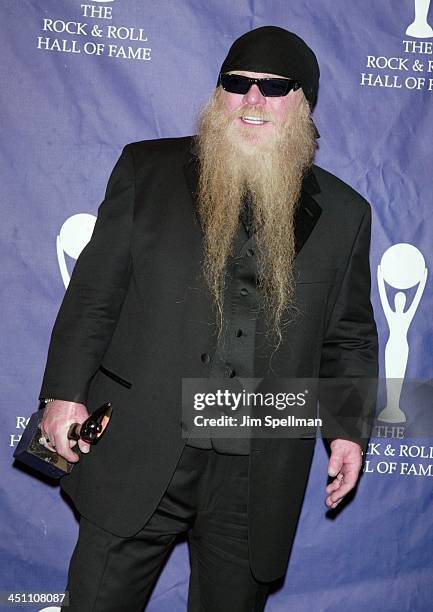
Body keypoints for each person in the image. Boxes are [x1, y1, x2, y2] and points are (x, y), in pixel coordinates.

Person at [39, 26, 378, 611]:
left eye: (275, 87)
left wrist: (347, 428)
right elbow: (93, 296)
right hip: (140, 444)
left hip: (256, 474)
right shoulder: (146, 171)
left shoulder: (345, 214)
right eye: (237, 83)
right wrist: (63, 395)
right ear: (218, 93)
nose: (253, 100)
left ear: (303, 104)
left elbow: (347, 336)